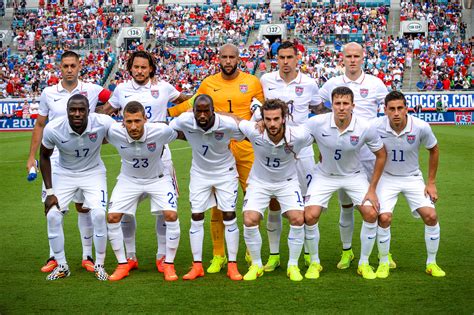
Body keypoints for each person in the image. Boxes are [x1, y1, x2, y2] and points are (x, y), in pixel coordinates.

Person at [168, 43, 264, 274]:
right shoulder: (208, 84)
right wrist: (168, 112)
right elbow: (191, 106)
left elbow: (259, 111)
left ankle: (251, 251)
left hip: (245, 148)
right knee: (216, 208)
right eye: (224, 57)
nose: (228, 61)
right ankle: (218, 255)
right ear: (218, 59)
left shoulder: (252, 82)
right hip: (217, 148)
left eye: (232, 57)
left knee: (252, 201)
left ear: (239, 59)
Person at [99, 51, 190, 274]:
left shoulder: (165, 87)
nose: (139, 71)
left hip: (160, 150)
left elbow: (186, 102)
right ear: (130, 68)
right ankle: (129, 257)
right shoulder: (121, 89)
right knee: (125, 211)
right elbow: (105, 112)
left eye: (144, 67)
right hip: (132, 151)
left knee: (164, 211)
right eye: (136, 67)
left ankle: (162, 257)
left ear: (151, 69)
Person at [27, 50, 111, 274]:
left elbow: (115, 99)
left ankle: (87, 256)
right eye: (65, 66)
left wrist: (99, 131)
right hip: (55, 159)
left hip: (85, 157)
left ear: (79, 66)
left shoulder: (92, 89)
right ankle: (55, 257)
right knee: (52, 209)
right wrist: (30, 156)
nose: (69, 69)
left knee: (85, 208)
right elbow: (40, 125)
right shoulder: (48, 93)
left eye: (73, 65)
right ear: (60, 67)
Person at [317, 42, 391, 270]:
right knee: (346, 204)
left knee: (378, 203)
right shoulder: (332, 84)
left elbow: (387, 110)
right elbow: (320, 108)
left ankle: (383, 253)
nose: (352, 60)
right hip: (343, 154)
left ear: (363, 58)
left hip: (369, 153)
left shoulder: (375, 83)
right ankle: (347, 251)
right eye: (348, 56)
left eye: (356, 56)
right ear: (342, 58)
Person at [304, 87, 387, 280]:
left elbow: (381, 155)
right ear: (331, 105)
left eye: (345, 103)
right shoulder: (317, 123)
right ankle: (315, 262)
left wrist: (372, 188)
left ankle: (363, 263)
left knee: (371, 213)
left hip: (354, 175)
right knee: (310, 215)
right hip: (324, 175)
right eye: (337, 103)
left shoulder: (365, 126)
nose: (341, 108)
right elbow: (294, 137)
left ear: (353, 105)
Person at [259, 41, 321, 271]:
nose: (285, 61)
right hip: (274, 150)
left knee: (307, 204)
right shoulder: (266, 80)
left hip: (302, 151)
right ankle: (274, 255)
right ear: (277, 59)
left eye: (289, 57)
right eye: (281, 57)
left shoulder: (309, 83)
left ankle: (308, 253)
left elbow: (318, 110)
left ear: (297, 59)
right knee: (274, 202)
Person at [39, 94, 114, 281]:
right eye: (73, 110)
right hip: (64, 173)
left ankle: (100, 265)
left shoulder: (103, 122)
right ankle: (62, 265)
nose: (77, 114)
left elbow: (124, 133)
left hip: (93, 172)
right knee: (53, 215)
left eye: (82, 110)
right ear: (67, 112)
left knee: (97, 214)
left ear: (89, 111)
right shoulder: (54, 128)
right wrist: (50, 192)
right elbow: (44, 157)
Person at [236, 99, 312, 281]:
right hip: (259, 182)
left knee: (297, 218)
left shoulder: (298, 135)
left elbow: (322, 134)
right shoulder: (255, 131)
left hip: (287, 182)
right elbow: (234, 120)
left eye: (276, 119)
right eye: (268, 119)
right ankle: (256, 264)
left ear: (284, 118)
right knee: (249, 218)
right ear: (262, 119)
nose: (272, 124)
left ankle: (292, 265)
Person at [106, 101, 183, 281]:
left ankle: (167, 263)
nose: (133, 126)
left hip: (158, 179)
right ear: (122, 121)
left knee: (170, 215)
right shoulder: (113, 132)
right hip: (128, 180)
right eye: (129, 121)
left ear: (145, 120)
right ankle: (125, 262)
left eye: (138, 121)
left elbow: (183, 133)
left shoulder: (160, 131)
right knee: (113, 217)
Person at [169, 94, 244, 281]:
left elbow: (243, 134)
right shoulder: (185, 120)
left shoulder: (227, 124)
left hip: (225, 173)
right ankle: (197, 266)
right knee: (196, 217)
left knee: (229, 215)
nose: (202, 115)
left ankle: (232, 266)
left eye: (206, 111)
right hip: (200, 174)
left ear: (213, 110)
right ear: (192, 111)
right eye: (198, 111)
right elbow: (169, 130)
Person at [374, 91, 445, 278]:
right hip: (387, 178)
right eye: (392, 109)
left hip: (412, 177)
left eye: (400, 108)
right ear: (385, 110)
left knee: (431, 216)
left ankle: (432, 263)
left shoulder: (421, 127)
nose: (396, 113)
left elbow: (434, 149)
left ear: (406, 109)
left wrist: (431, 182)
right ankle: (383, 262)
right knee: (384, 218)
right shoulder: (375, 126)